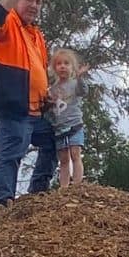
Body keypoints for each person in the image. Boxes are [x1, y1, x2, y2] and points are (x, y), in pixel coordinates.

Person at [0, 0, 55, 211]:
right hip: (14, 107)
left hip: (36, 109)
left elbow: (37, 70)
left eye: (38, 2)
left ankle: (38, 190)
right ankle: (2, 202)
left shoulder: (36, 35)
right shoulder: (7, 25)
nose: (34, 5)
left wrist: (47, 95)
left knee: (55, 140)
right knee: (11, 152)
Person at [47, 48, 93, 185]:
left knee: (75, 154)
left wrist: (80, 77)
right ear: (54, 68)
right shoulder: (52, 89)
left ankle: (77, 183)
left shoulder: (74, 84)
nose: (62, 66)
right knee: (64, 159)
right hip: (60, 128)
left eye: (66, 63)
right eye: (59, 63)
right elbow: (49, 110)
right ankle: (64, 187)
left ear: (72, 66)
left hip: (74, 125)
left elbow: (83, 91)